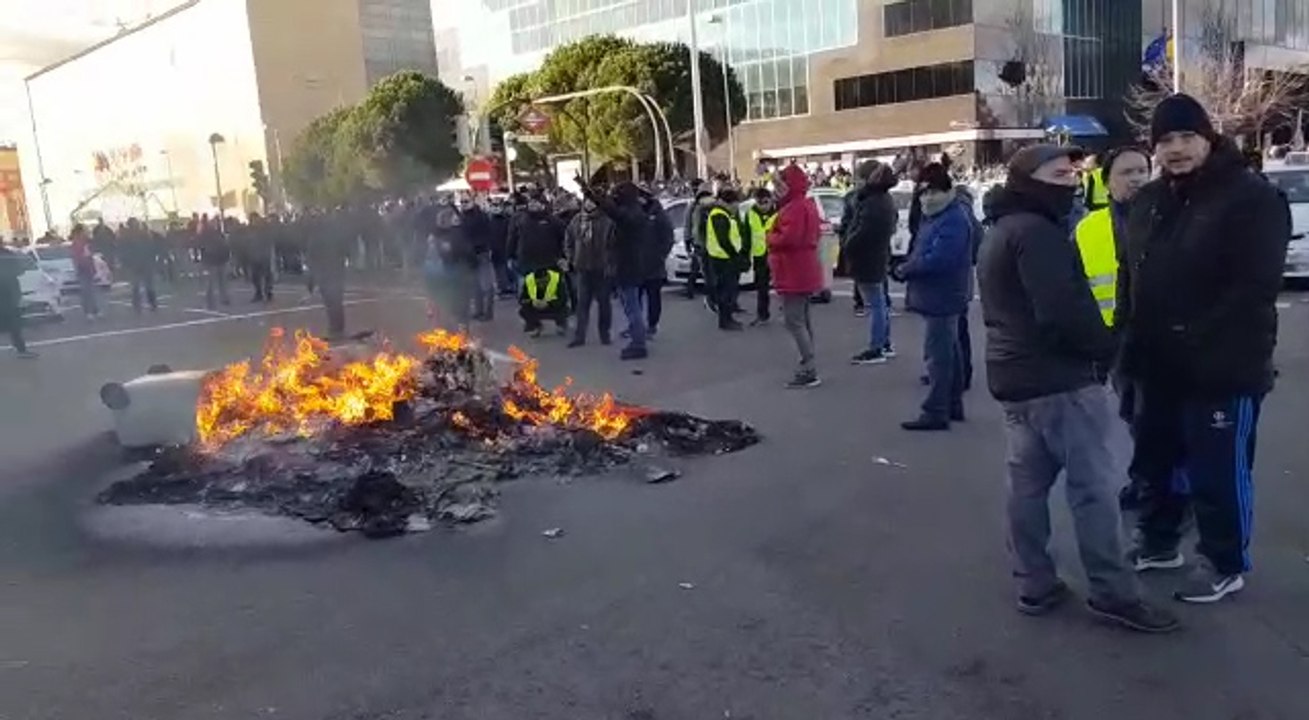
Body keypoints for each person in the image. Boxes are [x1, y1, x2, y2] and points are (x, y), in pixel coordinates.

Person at [976, 143, 1179, 633]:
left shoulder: (1004, 229)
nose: (1070, 182)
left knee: (1026, 487)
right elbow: (1060, 310)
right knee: (1094, 491)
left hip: (1017, 380)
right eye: (1059, 174)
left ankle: (1034, 582)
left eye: (1073, 174)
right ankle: (1113, 592)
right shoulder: (1036, 233)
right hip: (1060, 381)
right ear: (1030, 179)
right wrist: (1104, 348)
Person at [1118, 94, 1290, 604]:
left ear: (1208, 139)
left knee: (1217, 469)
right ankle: (1160, 541)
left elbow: (1253, 287)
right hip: (1157, 364)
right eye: (1165, 140)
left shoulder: (1250, 198)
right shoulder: (1149, 201)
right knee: (1157, 459)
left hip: (1223, 365)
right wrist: (1128, 342)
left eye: (1186, 137)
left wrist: (1191, 336)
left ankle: (1224, 561)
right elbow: (1134, 278)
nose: (1175, 149)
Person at [1074, 147, 1153, 510]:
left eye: (1142, 170)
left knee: (1160, 420)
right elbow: (1074, 288)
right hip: (1113, 340)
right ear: (1106, 183)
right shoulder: (1088, 229)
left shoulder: (1166, 218)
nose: (1136, 178)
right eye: (1126, 172)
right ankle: (1146, 481)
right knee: (1132, 414)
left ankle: (1162, 489)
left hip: (1162, 338)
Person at [892, 163, 972, 430]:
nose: (927, 197)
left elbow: (939, 259)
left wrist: (907, 269)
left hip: (943, 293)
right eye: (923, 192)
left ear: (945, 191)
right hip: (942, 292)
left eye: (932, 191)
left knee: (938, 355)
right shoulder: (939, 216)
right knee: (949, 350)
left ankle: (937, 410)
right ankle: (952, 404)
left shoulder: (952, 218)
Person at [580, 180, 653, 360]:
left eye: (617, 194)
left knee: (632, 307)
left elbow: (614, 212)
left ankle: (638, 344)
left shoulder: (632, 215)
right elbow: (613, 210)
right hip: (629, 265)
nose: (614, 197)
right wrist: (593, 194)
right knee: (631, 306)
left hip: (628, 266)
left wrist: (596, 197)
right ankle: (638, 339)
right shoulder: (634, 212)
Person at [766, 164, 824, 388]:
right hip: (803, 268)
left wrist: (770, 237)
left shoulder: (793, 209)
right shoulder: (806, 205)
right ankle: (808, 360)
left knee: (794, 320)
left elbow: (787, 238)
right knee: (802, 318)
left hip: (792, 270)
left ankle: (808, 366)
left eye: (780, 183)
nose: (777, 188)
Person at [841, 160, 898, 364]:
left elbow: (862, 232)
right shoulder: (884, 200)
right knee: (879, 301)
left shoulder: (873, 202)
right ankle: (884, 343)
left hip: (868, 259)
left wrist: (847, 244)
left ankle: (876, 347)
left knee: (875, 304)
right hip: (877, 256)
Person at [564, 195, 616, 347]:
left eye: (593, 201)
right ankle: (579, 336)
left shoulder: (607, 221)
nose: (589, 204)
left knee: (604, 304)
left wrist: (610, 263)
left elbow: (613, 245)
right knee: (582, 304)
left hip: (601, 268)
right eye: (587, 200)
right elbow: (568, 240)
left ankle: (604, 334)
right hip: (582, 267)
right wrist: (571, 258)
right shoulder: (577, 220)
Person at [704, 188, 748, 331]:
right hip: (723, 258)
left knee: (728, 290)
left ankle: (728, 318)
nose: (736, 207)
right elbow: (724, 240)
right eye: (735, 204)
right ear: (729, 203)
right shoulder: (719, 215)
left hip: (724, 257)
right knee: (725, 291)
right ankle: (725, 320)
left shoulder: (725, 214)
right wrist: (735, 255)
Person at [640, 192, 673, 336]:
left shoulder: (659, 216)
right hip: (637, 264)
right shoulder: (637, 214)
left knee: (653, 297)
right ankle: (635, 325)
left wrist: (660, 256)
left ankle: (652, 325)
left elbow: (668, 238)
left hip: (654, 265)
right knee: (635, 297)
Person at [743, 188, 777, 325]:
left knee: (784, 285)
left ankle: (789, 312)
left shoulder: (778, 213)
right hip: (760, 256)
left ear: (771, 200)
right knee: (761, 287)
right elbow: (746, 236)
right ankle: (762, 314)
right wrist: (745, 256)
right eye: (759, 202)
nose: (763, 205)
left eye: (765, 202)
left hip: (776, 254)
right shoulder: (750, 213)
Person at [0, 244, 36, 358]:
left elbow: (18, 269)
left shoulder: (8, 254)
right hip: (9, 292)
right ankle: (21, 349)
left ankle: (21, 349)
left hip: (9, 292)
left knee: (13, 322)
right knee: (14, 322)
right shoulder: (8, 254)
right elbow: (19, 270)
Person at [118, 218, 159, 312]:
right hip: (144, 263)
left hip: (135, 264)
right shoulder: (143, 234)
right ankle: (152, 304)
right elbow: (152, 247)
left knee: (136, 286)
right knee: (148, 285)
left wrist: (125, 263)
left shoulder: (126, 236)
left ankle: (138, 306)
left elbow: (123, 252)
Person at [518, 266, 569, 337]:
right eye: (539, 282)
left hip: (553, 307)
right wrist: (531, 302)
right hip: (536, 307)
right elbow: (522, 300)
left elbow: (563, 298)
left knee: (564, 308)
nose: (541, 283)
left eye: (544, 281)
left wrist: (548, 303)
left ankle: (561, 323)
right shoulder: (530, 280)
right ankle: (534, 325)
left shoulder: (556, 278)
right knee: (523, 310)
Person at [69, 224, 101, 320]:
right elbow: (77, 257)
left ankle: (94, 310)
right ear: (80, 232)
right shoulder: (77, 243)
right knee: (86, 291)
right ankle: (89, 311)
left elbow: (90, 255)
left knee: (91, 290)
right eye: (85, 230)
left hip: (88, 268)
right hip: (83, 269)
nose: (86, 232)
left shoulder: (86, 242)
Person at [198, 217, 231, 310]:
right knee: (210, 284)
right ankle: (210, 302)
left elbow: (225, 246)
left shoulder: (219, 234)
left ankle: (224, 298)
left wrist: (226, 256)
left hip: (220, 260)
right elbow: (202, 246)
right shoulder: (206, 234)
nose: (215, 225)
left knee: (222, 282)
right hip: (211, 261)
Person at [245, 213, 274, 303]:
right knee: (255, 277)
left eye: (255, 219)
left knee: (267, 275)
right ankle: (259, 293)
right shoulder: (249, 229)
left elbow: (269, 240)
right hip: (254, 256)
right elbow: (247, 242)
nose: (254, 221)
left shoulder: (264, 228)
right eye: (252, 219)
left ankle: (268, 292)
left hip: (264, 255)